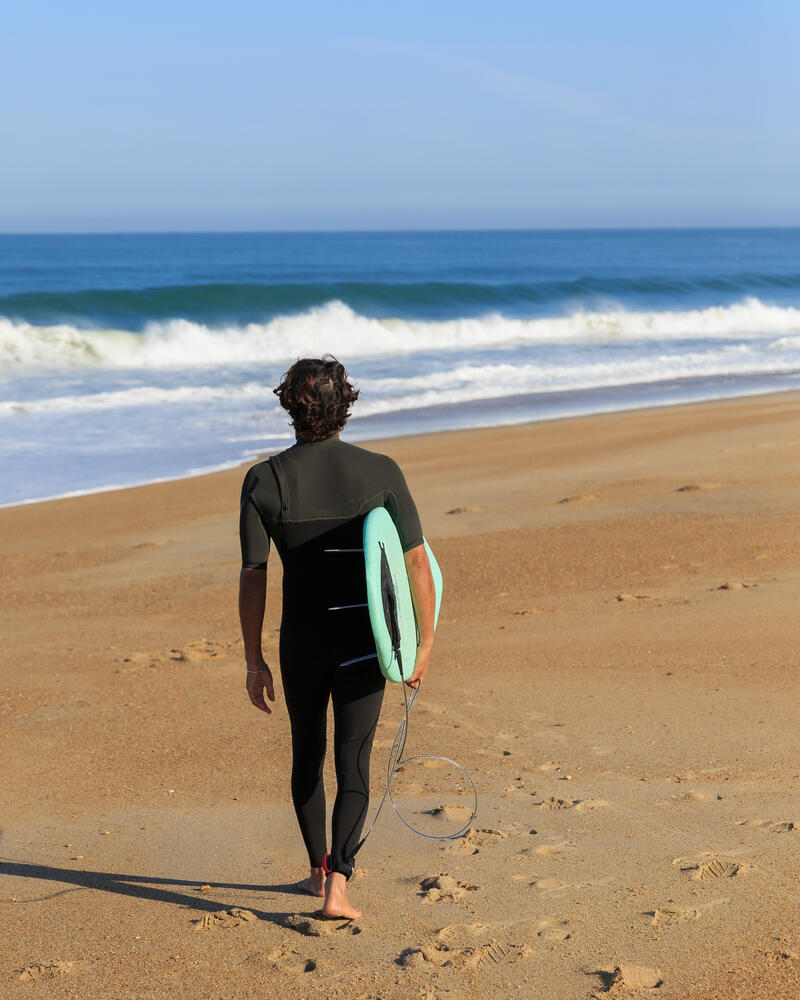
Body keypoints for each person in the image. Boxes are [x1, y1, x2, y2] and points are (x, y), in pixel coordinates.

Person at [238, 356, 436, 920]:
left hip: (300, 641)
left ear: (289, 407)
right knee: (353, 761)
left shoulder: (263, 480)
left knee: (308, 753)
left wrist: (254, 661)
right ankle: (338, 889)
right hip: (364, 642)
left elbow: (254, 576)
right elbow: (416, 564)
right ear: (344, 405)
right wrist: (419, 645)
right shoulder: (380, 471)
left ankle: (315, 868)